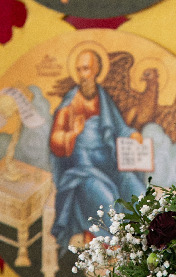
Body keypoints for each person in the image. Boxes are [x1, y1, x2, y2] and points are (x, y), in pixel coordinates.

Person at [49, 48, 145, 253]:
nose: (82, 75)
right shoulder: (69, 104)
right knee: (106, 198)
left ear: (96, 71)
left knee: (135, 188)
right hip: (84, 170)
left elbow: (119, 127)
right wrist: (73, 134)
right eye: (79, 70)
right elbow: (55, 140)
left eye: (86, 69)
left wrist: (132, 135)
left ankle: (142, 242)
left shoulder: (103, 99)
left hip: (110, 164)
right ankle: (114, 249)